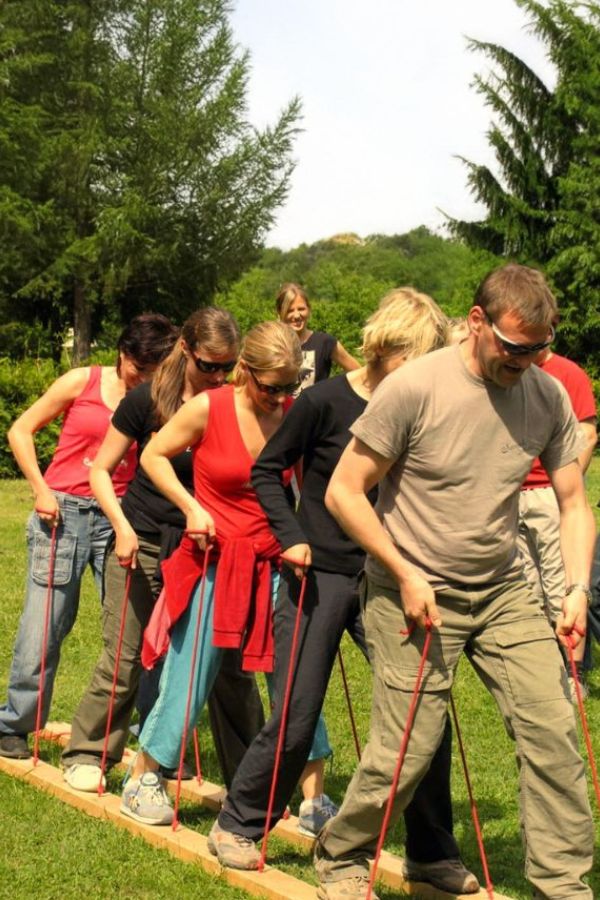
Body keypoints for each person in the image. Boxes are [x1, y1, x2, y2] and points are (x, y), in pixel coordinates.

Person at [316, 263, 595, 900]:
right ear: (476, 322)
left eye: (540, 347)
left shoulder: (546, 396)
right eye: (514, 346)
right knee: (408, 747)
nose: (526, 361)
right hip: (408, 590)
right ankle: (343, 852)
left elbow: (574, 502)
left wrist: (577, 589)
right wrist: (406, 572)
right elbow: (345, 491)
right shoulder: (415, 388)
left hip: (502, 590)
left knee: (553, 730)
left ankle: (562, 884)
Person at [212, 288, 479, 893]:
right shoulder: (325, 402)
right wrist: (290, 536)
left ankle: (432, 851)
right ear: (386, 348)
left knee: (418, 714)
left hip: (390, 576)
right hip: (319, 573)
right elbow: (266, 471)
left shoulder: (422, 406)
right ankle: (240, 822)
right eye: (417, 356)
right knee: (300, 713)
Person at [117, 320, 303, 826]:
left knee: (289, 674)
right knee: (191, 670)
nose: (280, 396)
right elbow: (153, 457)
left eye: (291, 385)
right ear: (245, 372)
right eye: (271, 386)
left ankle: (299, 791)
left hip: (271, 562)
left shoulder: (291, 414)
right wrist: (192, 506)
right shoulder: (208, 407)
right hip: (216, 559)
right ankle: (144, 776)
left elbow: (303, 484)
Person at [61, 308, 250, 792]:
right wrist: (120, 527)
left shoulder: (231, 406)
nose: (217, 376)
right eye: (209, 365)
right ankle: (88, 751)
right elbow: (100, 470)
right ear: (185, 348)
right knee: (124, 659)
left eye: (227, 367)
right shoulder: (147, 400)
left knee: (226, 666)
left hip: (208, 550)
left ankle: (249, 776)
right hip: (143, 540)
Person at [0, 314, 179, 761]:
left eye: (158, 371)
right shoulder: (81, 381)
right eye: (142, 369)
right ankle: (15, 724)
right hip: (63, 514)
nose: (148, 379)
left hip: (122, 519)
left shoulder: (161, 398)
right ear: (124, 356)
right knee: (44, 628)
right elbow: (19, 429)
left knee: (133, 633)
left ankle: (147, 728)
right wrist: (42, 490)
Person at [518, 345, 597, 699]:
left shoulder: (568, 373)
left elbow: (587, 433)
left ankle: (573, 674)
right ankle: (542, 670)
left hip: (550, 492)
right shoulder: (508, 371)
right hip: (509, 494)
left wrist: (565, 482)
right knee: (525, 590)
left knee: (562, 586)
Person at [276, 283, 359, 391]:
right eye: (290, 311)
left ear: (309, 309)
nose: (296, 315)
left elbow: (358, 372)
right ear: (279, 312)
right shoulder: (272, 344)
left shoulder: (324, 342)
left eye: (301, 309)